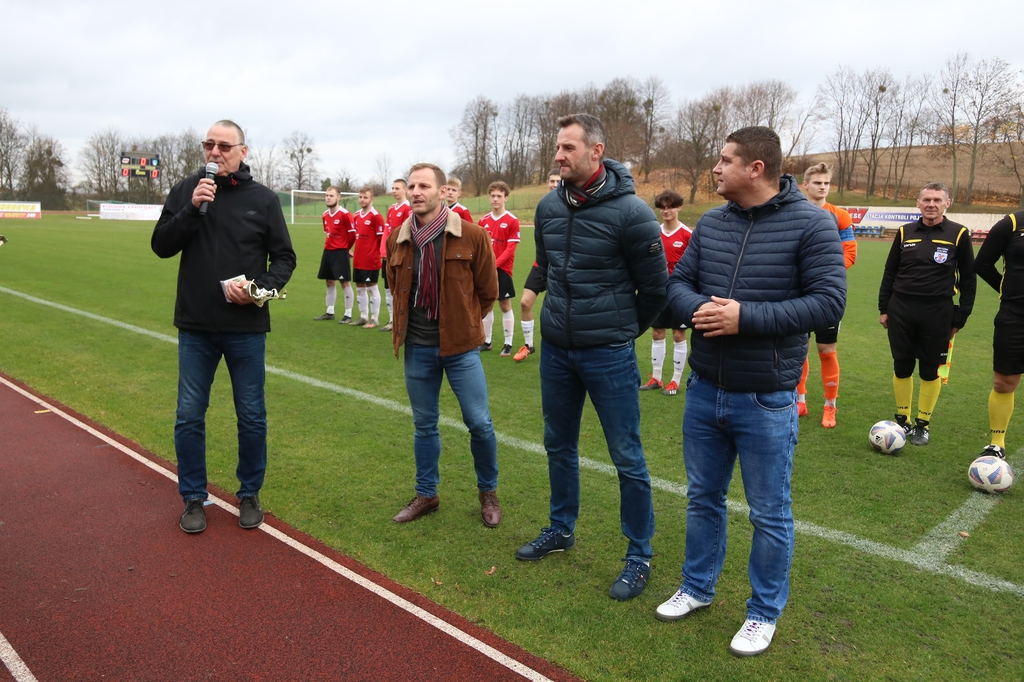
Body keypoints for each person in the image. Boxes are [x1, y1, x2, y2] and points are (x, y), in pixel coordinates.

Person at [662, 126, 846, 657]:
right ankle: (697, 587)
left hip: (766, 397)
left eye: (725, 160)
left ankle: (763, 612)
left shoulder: (812, 224)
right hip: (705, 388)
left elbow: (828, 303)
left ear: (755, 168)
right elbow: (677, 285)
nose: (716, 168)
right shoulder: (713, 222)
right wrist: (700, 310)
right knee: (703, 498)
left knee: (768, 512)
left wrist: (746, 318)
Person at [515, 114, 667, 603]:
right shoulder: (548, 207)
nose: (558, 155)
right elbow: (547, 266)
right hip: (557, 352)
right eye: (557, 147)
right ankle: (561, 528)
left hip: (609, 354)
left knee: (627, 455)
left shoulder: (633, 213)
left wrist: (620, 331)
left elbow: (656, 290)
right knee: (558, 444)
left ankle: (639, 554)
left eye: (568, 147)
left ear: (596, 151)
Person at [151, 119, 296, 534]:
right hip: (195, 326)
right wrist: (191, 209)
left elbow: (284, 258)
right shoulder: (187, 189)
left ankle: (249, 493)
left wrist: (258, 290)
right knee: (188, 416)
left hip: (245, 328)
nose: (215, 152)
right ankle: (193, 498)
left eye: (224, 146)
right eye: (209, 145)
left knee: (251, 416)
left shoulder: (263, 199)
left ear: (242, 151)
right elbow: (161, 245)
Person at [385, 163, 502, 527]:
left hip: (461, 349)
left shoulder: (471, 235)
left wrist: (464, 323)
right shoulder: (397, 238)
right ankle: (426, 494)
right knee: (424, 425)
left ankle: (488, 493)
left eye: (424, 186)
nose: (416, 192)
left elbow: (488, 291)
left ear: (441, 191)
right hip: (418, 348)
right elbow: (394, 286)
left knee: (479, 423)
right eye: (412, 186)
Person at [878, 182, 976, 446]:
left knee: (930, 369)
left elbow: (969, 278)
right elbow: (890, 272)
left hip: (938, 311)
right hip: (901, 308)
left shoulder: (958, 233)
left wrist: (961, 316)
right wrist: (884, 308)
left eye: (937, 200)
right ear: (918, 203)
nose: (931, 204)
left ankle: (923, 424)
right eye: (927, 200)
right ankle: (902, 420)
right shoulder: (905, 231)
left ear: (947, 203)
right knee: (902, 365)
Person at [795, 163, 857, 427]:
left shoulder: (840, 216)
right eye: (817, 182)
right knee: (799, 348)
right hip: (798, 293)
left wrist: (824, 274)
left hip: (827, 293)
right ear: (805, 185)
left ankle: (830, 406)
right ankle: (800, 400)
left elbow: (850, 252)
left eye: (826, 183)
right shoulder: (794, 213)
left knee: (827, 350)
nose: (822, 187)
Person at [969, 212, 1023, 459]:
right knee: (1004, 382)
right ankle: (997, 443)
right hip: (1015, 315)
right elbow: (981, 264)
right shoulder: (1012, 223)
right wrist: (1007, 290)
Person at [638, 189, 692, 396]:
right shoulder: (655, 233)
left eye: (670, 207)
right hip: (658, 291)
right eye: (662, 207)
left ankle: (675, 381)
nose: (666, 211)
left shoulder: (687, 234)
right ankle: (656, 378)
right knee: (657, 332)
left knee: (678, 334)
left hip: (679, 292)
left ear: (679, 208)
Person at [513, 170, 561, 362]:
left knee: (560, 308)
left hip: (561, 266)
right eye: (552, 181)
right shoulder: (544, 205)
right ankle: (529, 345)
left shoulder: (571, 204)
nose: (555, 184)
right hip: (541, 263)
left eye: (558, 181)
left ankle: (561, 347)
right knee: (525, 302)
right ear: (547, 183)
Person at [478, 181, 521, 356]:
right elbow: (480, 246)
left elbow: (510, 249)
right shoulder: (483, 221)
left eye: (499, 196)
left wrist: (493, 264)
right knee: (487, 305)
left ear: (506, 198)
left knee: (504, 305)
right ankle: (486, 341)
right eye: (493, 196)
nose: (495, 199)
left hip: (503, 270)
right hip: (486, 270)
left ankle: (508, 343)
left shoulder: (512, 220)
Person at [314, 186, 355, 322]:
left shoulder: (345, 214)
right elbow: (327, 232)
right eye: (327, 195)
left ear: (338, 197)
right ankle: (330, 311)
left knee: (344, 282)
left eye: (331, 195)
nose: (328, 198)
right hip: (328, 251)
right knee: (329, 281)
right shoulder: (325, 215)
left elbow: (352, 235)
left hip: (340, 252)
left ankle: (348, 314)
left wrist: (346, 248)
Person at [351, 186, 385, 329]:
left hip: (371, 259)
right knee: (359, 287)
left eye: (365, 197)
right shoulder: (357, 215)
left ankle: (374, 318)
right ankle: (363, 316)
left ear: (372, 199)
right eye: (360, 197)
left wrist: (378, 254)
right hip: (358, 259)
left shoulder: (376, 216)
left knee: (372, 287)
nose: (362, 200)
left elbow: (381, 240)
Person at [379, 178, 410, 332]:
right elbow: (387, 230)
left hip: (400, 255)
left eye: (397, 188)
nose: (394, 191)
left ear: (405, 189)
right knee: (388, 286)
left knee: (401, 286)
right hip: (389, 254)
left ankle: (402, 320)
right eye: (392, 188)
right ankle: (392, 319)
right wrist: (383, 250)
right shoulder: (391, 208)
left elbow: (407, 232)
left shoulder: (408, 208)